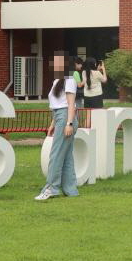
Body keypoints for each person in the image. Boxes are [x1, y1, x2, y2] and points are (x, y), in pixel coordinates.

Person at [37, 52, 79, 201]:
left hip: (67, 118)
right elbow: (57, 105)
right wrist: (53, 124)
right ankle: (71, 190)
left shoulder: (69, 80)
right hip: (60, 117)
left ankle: (51, 188)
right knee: (66, 156)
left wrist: (69, 123)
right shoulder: (57, 80)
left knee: (55, 155)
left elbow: (70, 104)